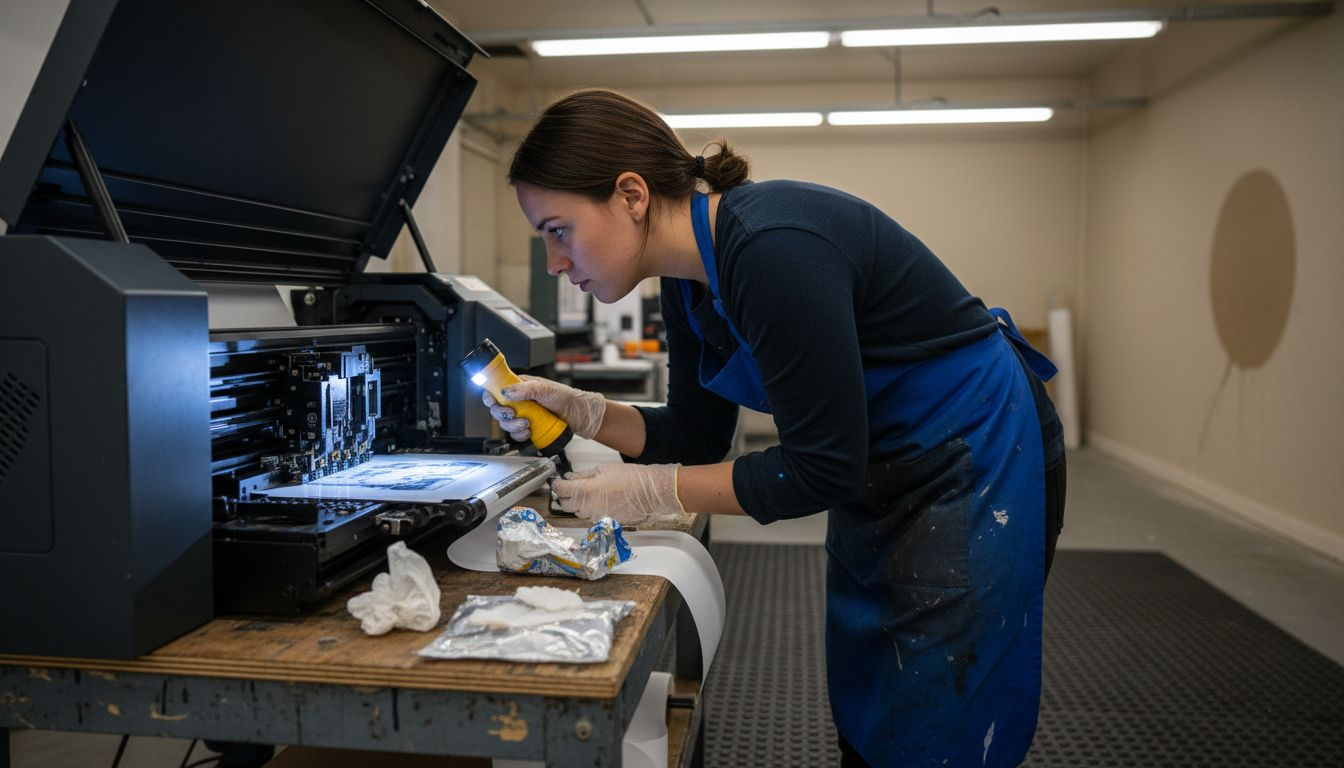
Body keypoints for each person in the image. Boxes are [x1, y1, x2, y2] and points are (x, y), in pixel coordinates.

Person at [482, 88, 1066, 768]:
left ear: (631, 195)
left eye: (558, 230)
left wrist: (649, 492)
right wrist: (586, 411)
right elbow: (697, 435)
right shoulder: (685, 278)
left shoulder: (771, 250)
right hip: (882, 464)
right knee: (876, 681)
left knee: (940, 710)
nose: (554, 263)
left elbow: (818, 470)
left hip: (971, 452)